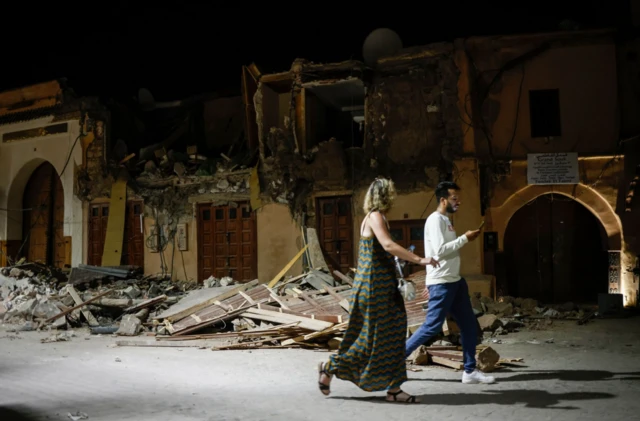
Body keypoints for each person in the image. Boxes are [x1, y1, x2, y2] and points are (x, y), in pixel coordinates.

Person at [317, 177, 440, 403]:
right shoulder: (374, 216)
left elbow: (386, 252)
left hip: (384, 288)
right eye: (392, 193)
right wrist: (420, 259)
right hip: (373, 289)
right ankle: (330, 367)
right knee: (368, 340)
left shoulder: (380, 217)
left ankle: (394, 389)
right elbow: (388, 245)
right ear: (386, 196)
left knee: (393, 335)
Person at [405, 181, 496, 384]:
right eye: (455, 198)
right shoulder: (435, 220)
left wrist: (464, 238)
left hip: (455, 281)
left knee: (469, 326)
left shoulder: (446, 220)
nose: (459, 202)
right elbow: (439, 251)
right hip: (442, 283)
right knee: (431, 326)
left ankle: (470, 372)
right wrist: (465, 238)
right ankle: (393, 361)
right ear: (443, 200)